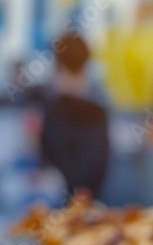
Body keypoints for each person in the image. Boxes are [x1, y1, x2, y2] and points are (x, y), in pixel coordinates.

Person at [39, 33, 110, 198]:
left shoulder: (54, 108)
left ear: (60, 67)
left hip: (64, 205)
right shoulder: (98, 110)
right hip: (85, 204)